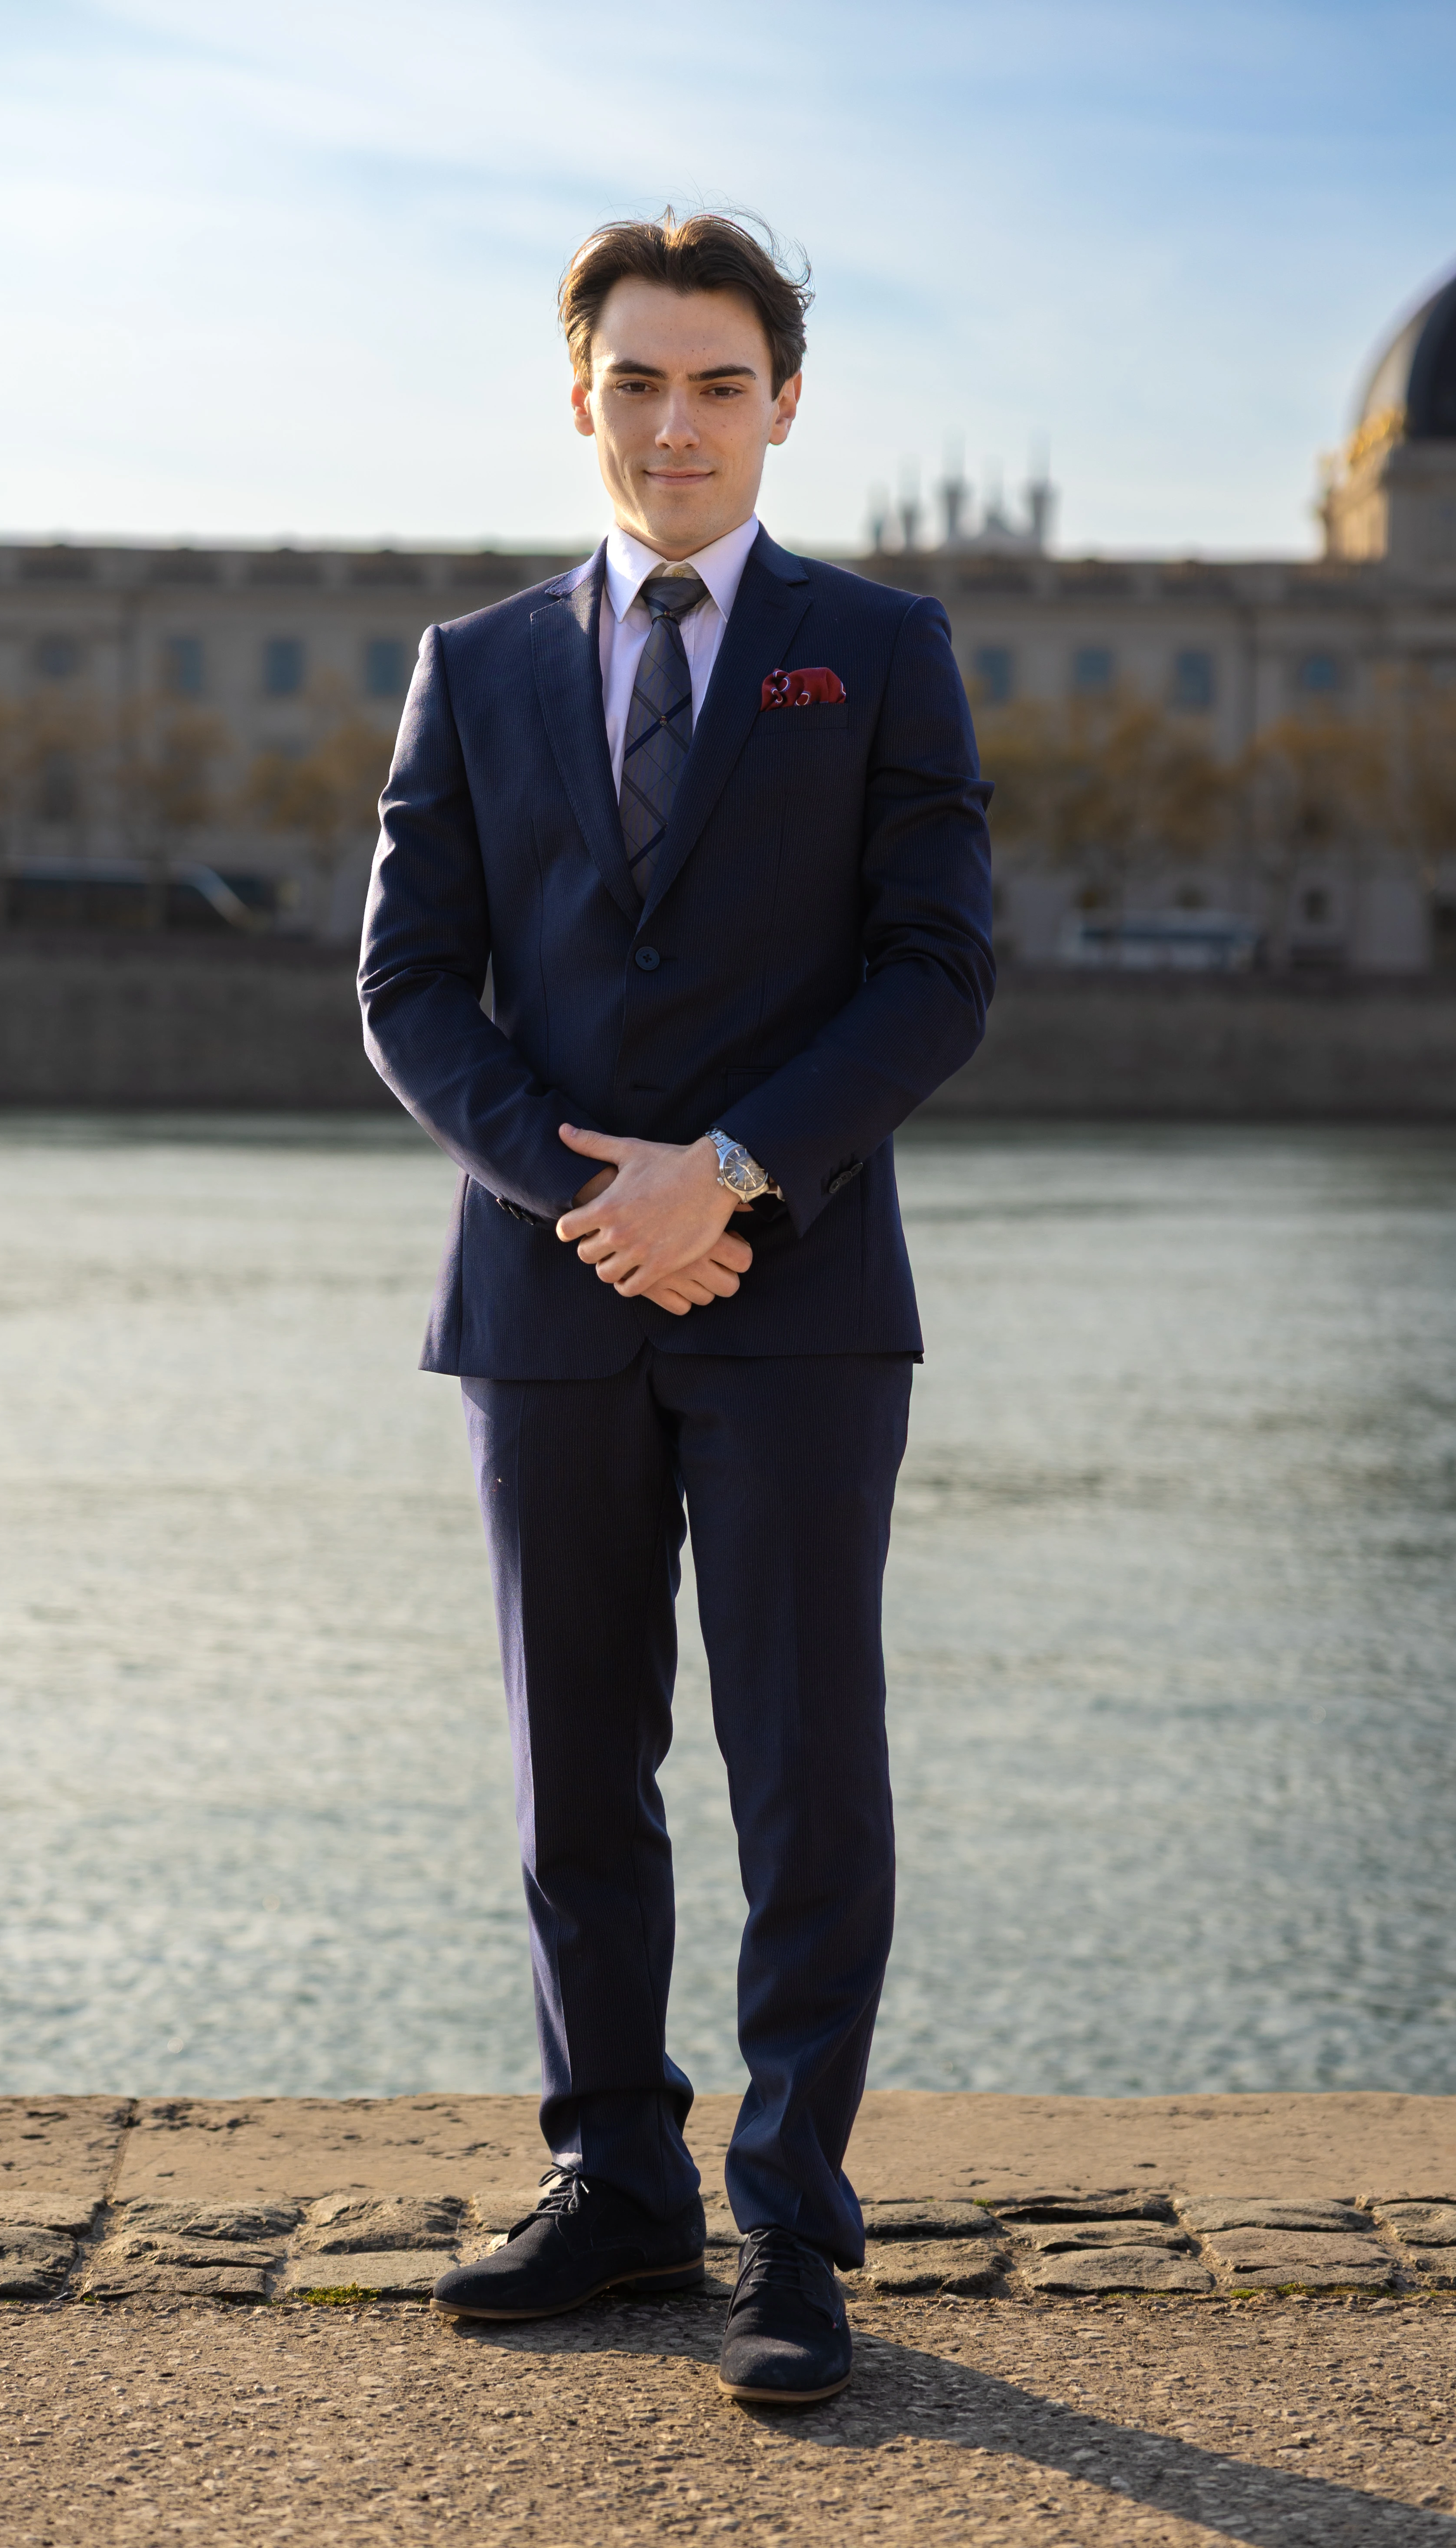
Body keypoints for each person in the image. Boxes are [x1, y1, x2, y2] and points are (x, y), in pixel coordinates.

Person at [358, 210, 993, 2405]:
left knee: (806, 1769)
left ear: (784, 405)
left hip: (796, 1292)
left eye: (718, 384)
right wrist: (578, 1190)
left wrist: (720, 1177)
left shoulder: (881, 645)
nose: (675, 422)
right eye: (636, 381)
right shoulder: (476, 662)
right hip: (545, 1300)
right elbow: (406, 985)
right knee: (571, 1771)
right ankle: (615, 2184)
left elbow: (935, 972)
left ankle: (791, 2236)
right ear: (580, 400)